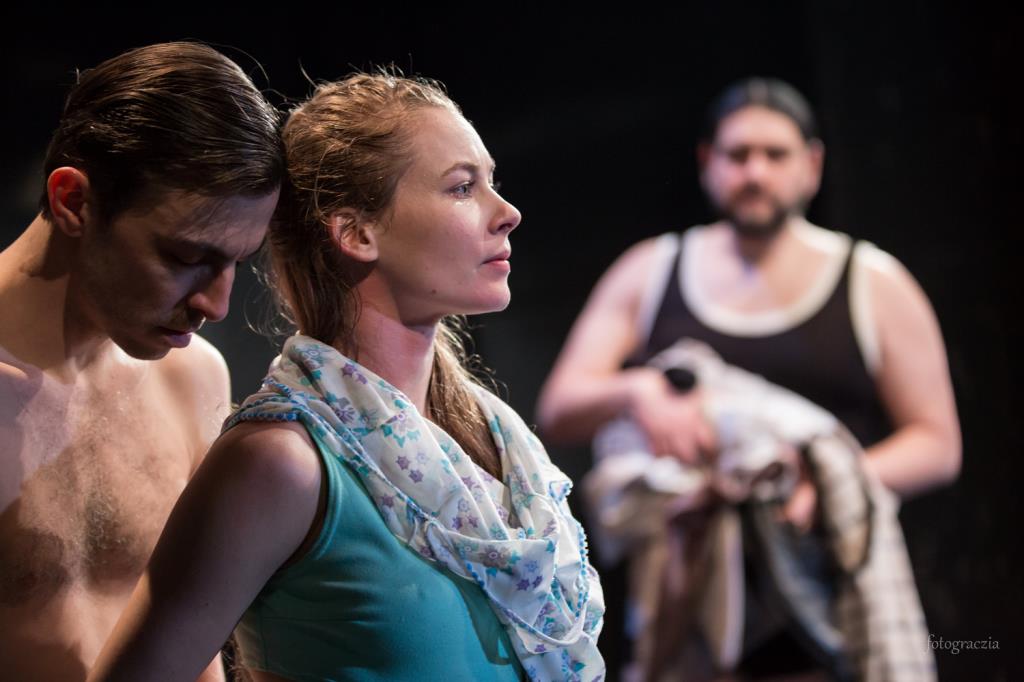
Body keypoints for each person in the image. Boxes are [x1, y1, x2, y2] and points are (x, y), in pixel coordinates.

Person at [87, 72, 605, 682]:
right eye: (463, 187)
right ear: (357, 233)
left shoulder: (497, 433)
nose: (507, 213)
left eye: (492, 182)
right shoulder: (280, 461)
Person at [537, 78, 961, 680]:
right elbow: (559, 407)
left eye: (775, 155)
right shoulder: (650, 271)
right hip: (685, 608)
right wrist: (636, 391)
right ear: (707, 162)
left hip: (826, 612)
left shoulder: (873, 282)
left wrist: (824, 484)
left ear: (812, 166)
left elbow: (937, 444)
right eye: (738, 155)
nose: (755, 172)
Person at [0, 42, 283, 681]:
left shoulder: (193, 374)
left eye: (237, 262)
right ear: (74, 202)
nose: (216, 304)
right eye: (187, 257)